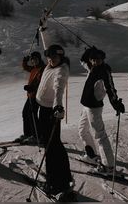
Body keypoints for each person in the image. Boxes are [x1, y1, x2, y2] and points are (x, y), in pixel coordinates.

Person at [35, 19, 75, 202]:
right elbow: (48, 45)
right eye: (49, 58)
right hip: (42, 108)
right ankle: (63, 176)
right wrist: (43, 30)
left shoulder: (61, 69)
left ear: (61, 57)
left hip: (51, 111)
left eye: (54, 58)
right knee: (53, 144)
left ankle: (55, 181)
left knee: (51, 146)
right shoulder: (51, 63)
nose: (51, 60)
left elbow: (59, 87)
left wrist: (58, 106)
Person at [78, 47, 125, 174]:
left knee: (100, 135)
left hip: (95, 108)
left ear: (102, 59)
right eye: (93, 59)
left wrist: (116, 104)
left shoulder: (104, 71)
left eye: (98, 59)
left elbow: (110, 89)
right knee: (82, 130)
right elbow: (82, 60)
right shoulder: (91, 67)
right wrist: (89, 50)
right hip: (86, 106)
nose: (95, 61)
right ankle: (92, 156)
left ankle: (109, 167)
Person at [15, 52, 45, 144]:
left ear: (39, 59)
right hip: (30, 96)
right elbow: (25, 67)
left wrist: (33, 88)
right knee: (25, 113)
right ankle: (27, 134)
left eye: (35, 59)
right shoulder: (34, 69)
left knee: (32, 114)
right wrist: (25, 61)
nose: (33, 61)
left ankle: (36, 136)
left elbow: (42, 83)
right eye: (32, 59)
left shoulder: (42, 69)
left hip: (37, 96)